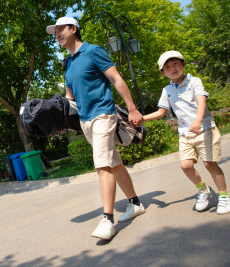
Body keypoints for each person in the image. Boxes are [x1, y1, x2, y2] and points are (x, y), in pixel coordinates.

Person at [46, 17, 146, 240]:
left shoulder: (93, 51)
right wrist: (60, 121)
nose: (57, 34)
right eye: (55, 32)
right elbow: (70, 99)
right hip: (85, 120)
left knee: (102, 166)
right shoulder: (67, 64)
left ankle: (107, 219)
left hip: (103, 114)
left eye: (61, 29)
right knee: (114, 163)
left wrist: (132, 109)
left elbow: (116, 79)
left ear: (74, 29)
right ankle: (136, 204)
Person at [143, 50, 230, 215]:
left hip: (205, 129)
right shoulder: (167, 90)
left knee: (209, 164)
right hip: (185, 134)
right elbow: (161, 112)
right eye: (167, 66)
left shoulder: (194, 81)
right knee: (185, 165)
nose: (173, 68)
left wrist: (197, 121)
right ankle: (204, 190)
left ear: (183, 64)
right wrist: (142, 119)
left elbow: (201, 100)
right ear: (163, 73)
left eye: (176, 63)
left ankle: (224, 196)